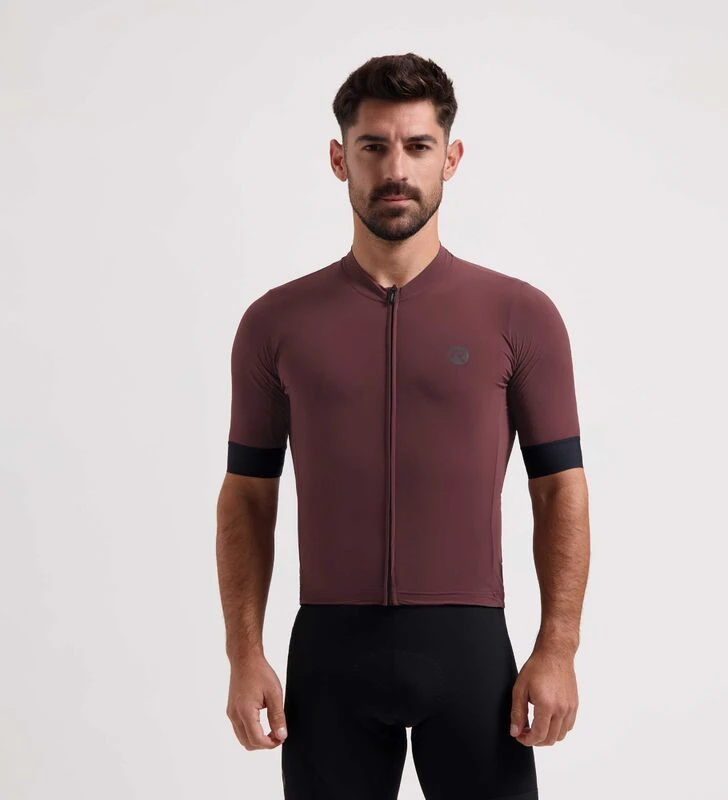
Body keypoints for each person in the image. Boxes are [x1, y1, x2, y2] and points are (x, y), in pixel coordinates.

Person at [216, 52, 590, 800]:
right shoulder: (275, 323)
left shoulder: (519, 316)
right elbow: (248, 496)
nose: (396, 169)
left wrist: (558, 648)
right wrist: (243, 654)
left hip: (470, 657)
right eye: (373, 146)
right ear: (339, 159)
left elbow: (560, 489)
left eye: (418, 146)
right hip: (330, 657)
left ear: (450, 158)